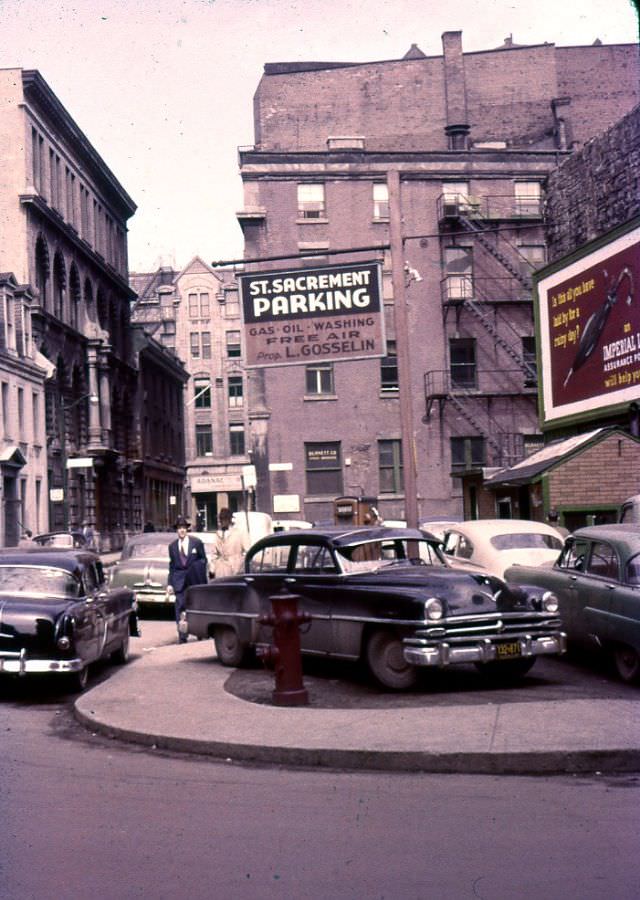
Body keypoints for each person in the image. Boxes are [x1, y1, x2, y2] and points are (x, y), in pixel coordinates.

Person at [168, 515, 208, 643]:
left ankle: (200, 633)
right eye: (179, 528)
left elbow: (203, 560)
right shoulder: (172, 547)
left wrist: (195, 568)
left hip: (194, 580)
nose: (182, 530)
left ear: (187, 529)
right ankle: (182, 636)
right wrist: (170, 583)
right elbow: (172, 566)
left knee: (196, 606)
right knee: (180, 608)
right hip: (179, 582)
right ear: (176, 530)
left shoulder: (196, 543)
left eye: (184, 528)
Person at [211, 508, 249, 578]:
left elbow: (248, 551)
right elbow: (214, 554)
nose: (222, 521)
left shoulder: (240, 532)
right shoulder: (217, 534)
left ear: (230, 519)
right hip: (220, 569)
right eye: (221, 519)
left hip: (235, 568)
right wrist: (213, 568)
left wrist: (240, 564)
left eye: (225, 518)